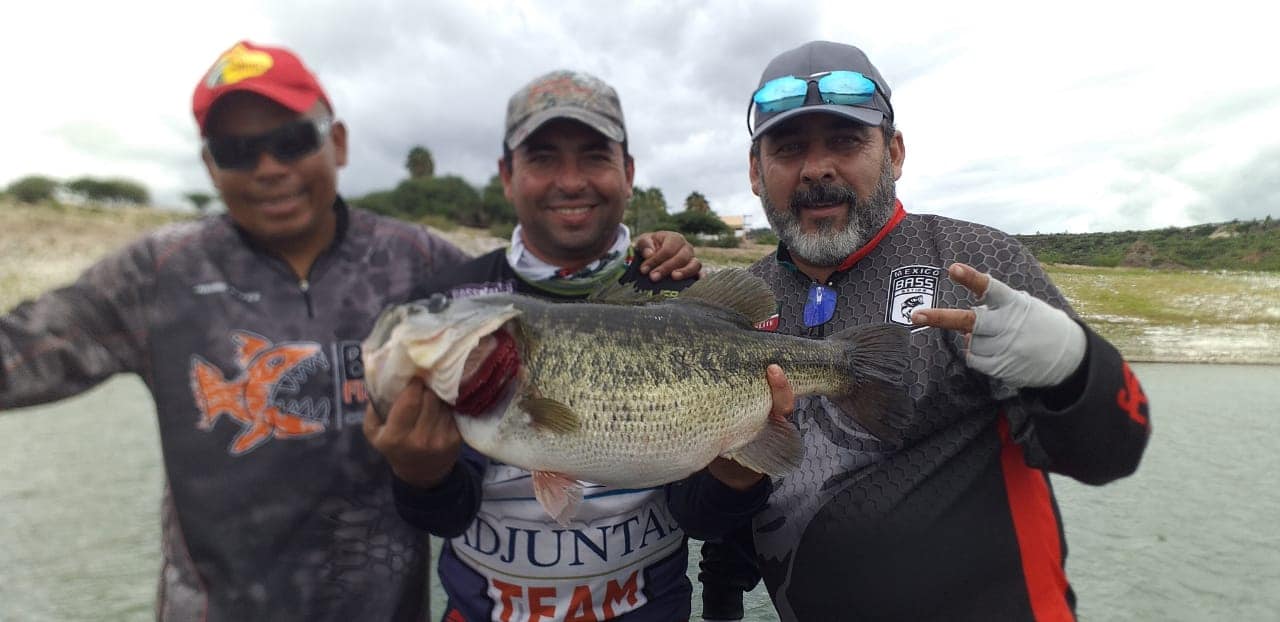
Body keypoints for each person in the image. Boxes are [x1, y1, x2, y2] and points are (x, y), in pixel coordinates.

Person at [0, 41, 697, 621]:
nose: (269, 166)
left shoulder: (422, 263)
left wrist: (655, 263)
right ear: (209, 164)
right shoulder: (156, 274)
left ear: (335, 142)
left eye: (289, 140)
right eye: (237, 151)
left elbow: (548, 296)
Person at [671, 41, 1153, 621]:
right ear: (755, 171)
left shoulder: (975, 262)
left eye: (846, 142)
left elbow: (1111, 454)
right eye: (789, 147)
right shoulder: (732, 306)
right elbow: (701, 516)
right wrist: (734, 467)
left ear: (894, 152)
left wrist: (1074, 368)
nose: (816, 168)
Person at [363, 70, 788, 622]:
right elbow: (444, 516)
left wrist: (737, 474)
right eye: (542, 158)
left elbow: (701, 521)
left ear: (628, 172)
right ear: (507, 176)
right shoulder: (455, 308)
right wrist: (422, 474)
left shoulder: (678, 291)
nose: (570, 181)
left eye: (594, 156)